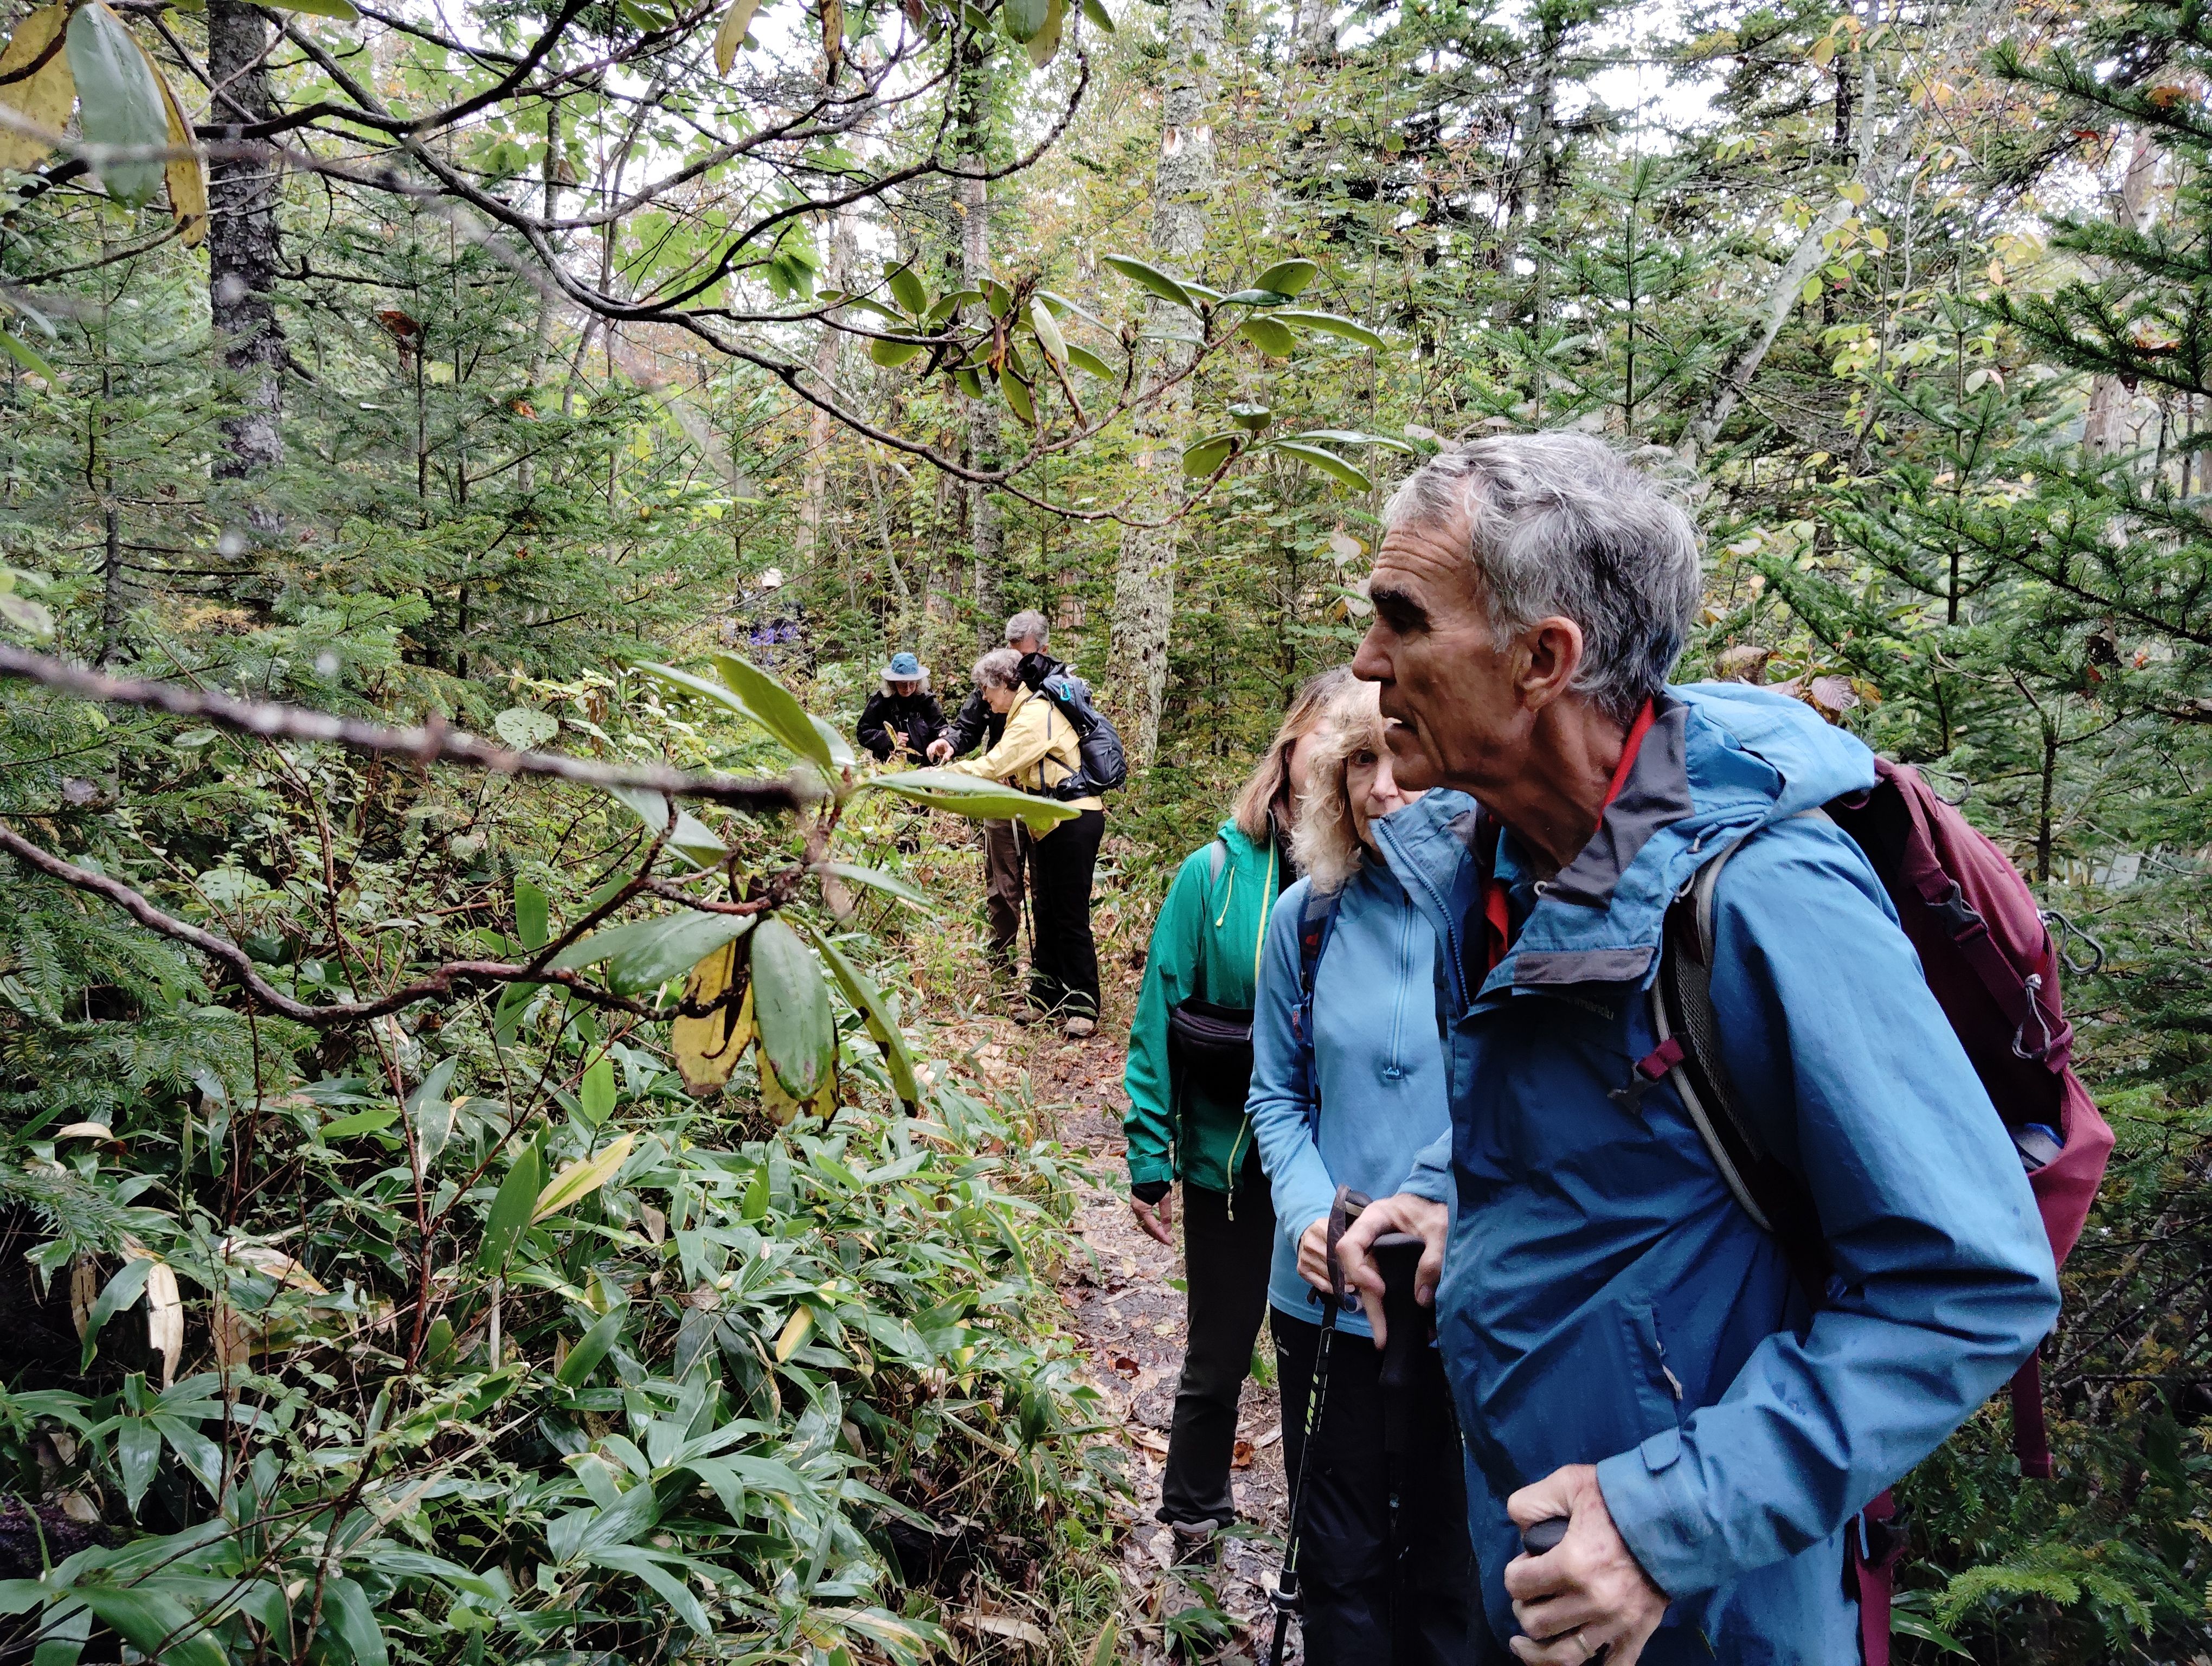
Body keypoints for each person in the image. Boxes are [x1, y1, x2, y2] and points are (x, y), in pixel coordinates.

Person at [1328, 434, 2060, 1665]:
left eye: (1401, 619)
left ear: (1540, 658)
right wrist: (1447, 1186)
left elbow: (1967, 1278)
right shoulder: (1495, 858)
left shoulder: (1761, 895)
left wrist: (1664, 1519)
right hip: (1539, 1569)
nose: (1365, 661)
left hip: (1712, 1610)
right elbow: (1593, 1136)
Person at [1245, 676, 1480, 1663]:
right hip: (1325, 1294)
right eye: (1361, 763)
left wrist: (1444, 1195)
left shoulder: (1494, 920)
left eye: (1406, 761)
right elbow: (1276, 1093)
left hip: (1459, 1286)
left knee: (1453, 1560)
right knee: (1340, 1558)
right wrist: (1308, 1212)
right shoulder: (1307, 918)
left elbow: (1522, 1099)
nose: (1385, 787)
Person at [1121, 666, 1347, 1559]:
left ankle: (1323, 1532)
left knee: (1322, 1359)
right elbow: (1156, 1018)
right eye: (1317, 744)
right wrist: (1151, 1154)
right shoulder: (1211, 875)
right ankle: (1194, 1509)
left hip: (1338, 1170)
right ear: (1287, 751)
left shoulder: (1371, 879)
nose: (1328, 765)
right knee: (1219, 1349)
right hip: (1226, 1157)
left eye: (1350, 750)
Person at [947, 647, 1104, 1037]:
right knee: (1046, 908)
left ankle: (1084, 1002)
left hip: (1074, 818)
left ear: (1004, 684)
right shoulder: (1025, 712)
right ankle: (1045, 995)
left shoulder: (1034, 715)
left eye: (986, 689)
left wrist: (944, 777)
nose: (984, 697)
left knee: (1068, 913)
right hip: (1050, 821)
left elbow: (995, 763)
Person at [932, 612, 1056, 975]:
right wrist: (950, 744)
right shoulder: (997, 678)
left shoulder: (1056, 684)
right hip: (1000, 796)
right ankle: (1002, 968)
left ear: (1044, 649)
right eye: (1013, 651)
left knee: (1047, 889)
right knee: (1002, 888)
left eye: (1026, 654)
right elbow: (969, 726)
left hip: (1042, 797)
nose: (1018, 662)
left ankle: (1046, 974)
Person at [857, 652, 946, 764]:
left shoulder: (926, 699)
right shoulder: (880, 700)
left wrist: (944, 735)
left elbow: (939, 726)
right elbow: (863, 733)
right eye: (903, 684)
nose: (908, 689)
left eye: (912, 684)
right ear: (893, 683)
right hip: (890, 766)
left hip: (925, 766)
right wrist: (890, 738)